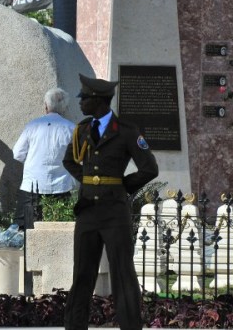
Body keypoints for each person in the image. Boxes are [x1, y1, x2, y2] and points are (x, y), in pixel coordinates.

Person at [62, 74, 159, 330]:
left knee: (122, 274)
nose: (81, 102)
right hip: (88, 211)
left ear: (98, 100)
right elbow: (69, 160)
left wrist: (122, 186)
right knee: (82, 273)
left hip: (114, 212)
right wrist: (88, 181)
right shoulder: (82, 129)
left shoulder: (127, 131)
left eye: (84, 98)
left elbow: (149, 168)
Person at [12, 88, 77, 228]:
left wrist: (34, 163)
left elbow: (17, 154)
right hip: (61, 187)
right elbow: (78, 157)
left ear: (46, 106)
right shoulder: (72, 128)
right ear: (64, 107)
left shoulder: (33, 125)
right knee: (60, 228)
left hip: (32, 185)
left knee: (26, 229)